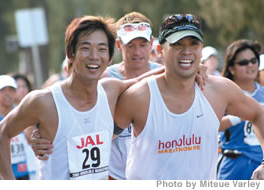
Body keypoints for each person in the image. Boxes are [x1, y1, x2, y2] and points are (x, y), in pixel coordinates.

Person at [0, 15, 147, 180]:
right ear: (70, 53)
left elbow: (146, 80)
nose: (94, 56)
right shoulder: (45, 101)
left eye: (102, 49)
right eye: (86, 48)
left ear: (109, 57)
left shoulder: (110, 89)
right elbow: (0, 133)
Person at [113, 14, 264, 180]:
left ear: (201, 48)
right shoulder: (138, 97)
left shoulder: (220, 90)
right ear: (160, 50)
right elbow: (101, 138)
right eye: (177, 44)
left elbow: (258, 114)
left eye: (194, 44)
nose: (187, 51)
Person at [101, 11, 162, 180]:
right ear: (119, 45)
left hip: (154, 174)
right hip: (114, 175)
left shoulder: (163, 75)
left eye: (142, 44)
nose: (137, 52)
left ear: (151, 44)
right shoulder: (104, 78)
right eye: (130, 45)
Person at [217, 39, 264, 179]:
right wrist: (242, 115)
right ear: (231, 68)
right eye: (243, 62)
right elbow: (212, 124)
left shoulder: (263, 92)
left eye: (253, 60)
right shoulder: (222, 93)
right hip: (234, 163)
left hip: (261, 164)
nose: (250, 65)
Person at [0, 75, 29, 180]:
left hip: (22, 172)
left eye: (11, 90)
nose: (7, 93)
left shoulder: (24, 114)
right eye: (3, 90)